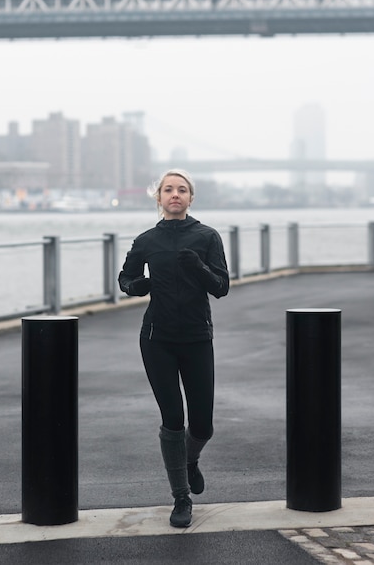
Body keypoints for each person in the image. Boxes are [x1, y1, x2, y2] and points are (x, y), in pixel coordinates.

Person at [118, 169, 229, 528]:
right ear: (159, 198)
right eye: (169, 190)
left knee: (203, 425)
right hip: (157, 339)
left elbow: (221, 286)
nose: (175, 195)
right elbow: (126, 278)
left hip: (197, 336)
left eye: (182, 190)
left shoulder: (207, 236)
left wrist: (197, 267)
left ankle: (189, 461)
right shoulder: (147, 240)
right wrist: (138, 287)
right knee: (173, 421)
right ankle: (181, 497)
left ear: (191, 198)